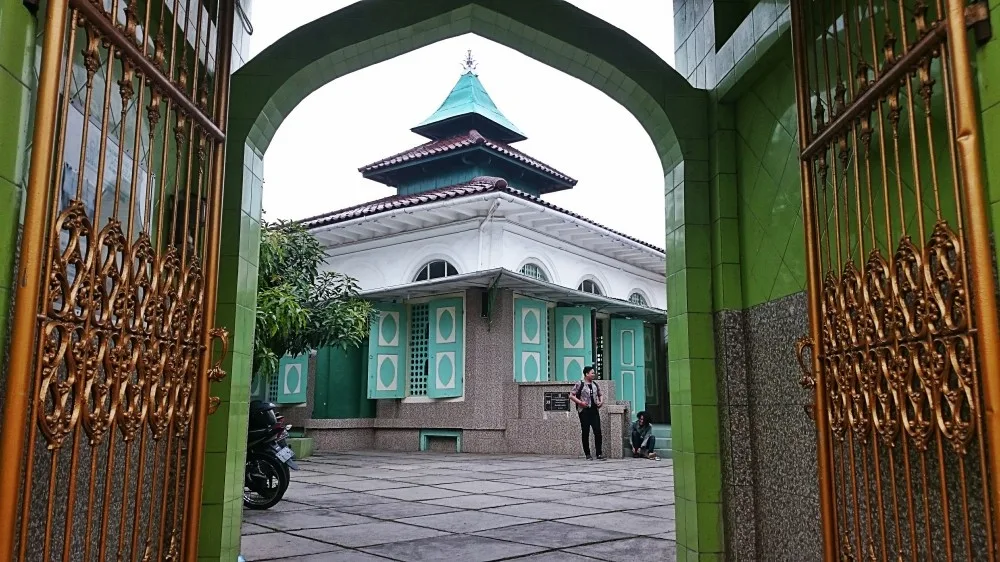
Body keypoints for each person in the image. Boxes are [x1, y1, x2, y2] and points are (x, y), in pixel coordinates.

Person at [570, 366, 605, 460]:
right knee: (585, 432)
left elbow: (600, 395)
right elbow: (571, 395)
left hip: (594, 410)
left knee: (597, 431)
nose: (594, 374)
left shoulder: (595, 385)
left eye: (594, 373)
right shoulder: (580, 384)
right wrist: (580, 402)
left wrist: (601, 402)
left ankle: (599, 453)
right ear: (586, 374)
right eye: (592, 373)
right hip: (584, 411)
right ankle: (587, 454)